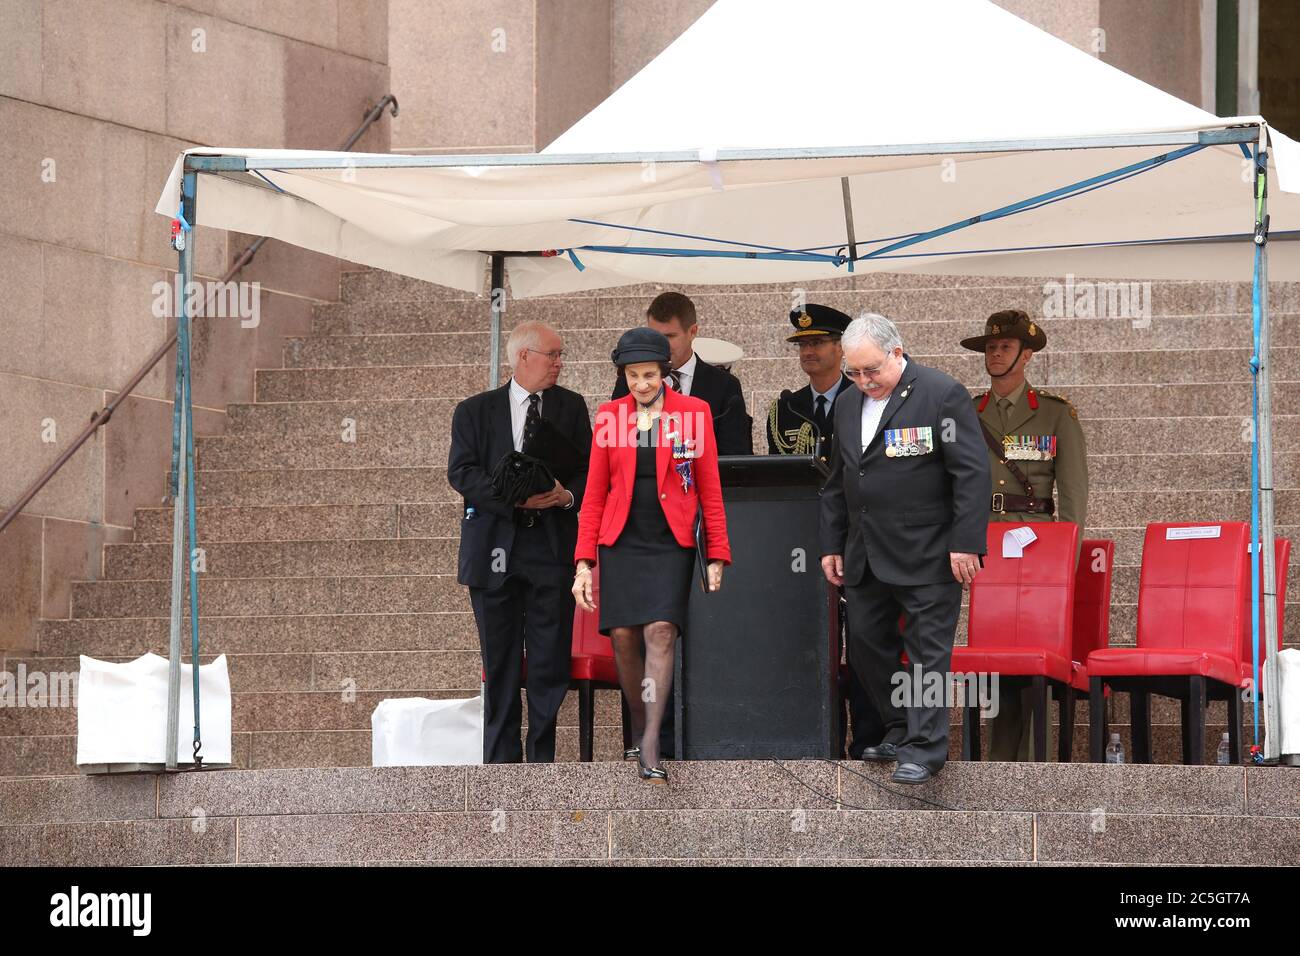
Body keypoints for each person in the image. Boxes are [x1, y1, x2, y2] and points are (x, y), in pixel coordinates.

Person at [819, 313, 991, 784]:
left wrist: (966, 542)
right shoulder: (849, 404)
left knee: (926, 653)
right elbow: (839, 482)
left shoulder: (941, 393)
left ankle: (925, 747)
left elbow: (972, 474)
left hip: (930, 552)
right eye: (853, 372)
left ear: (897, 352)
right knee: (867, 649)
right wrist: (832, 543)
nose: (863, 380)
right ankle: (896, 728)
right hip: (866, 553)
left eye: (871, 369)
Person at [575, 327, 731, 783]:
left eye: (648, 375)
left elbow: (710, 490)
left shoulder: (695, 414)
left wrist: (717, 551)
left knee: (661, 630)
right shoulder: (609, 417)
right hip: (621, 540)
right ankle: (641, 725)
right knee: (624, 635)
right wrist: (584, 562)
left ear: (664, 373)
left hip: (670, 541)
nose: (640, 384)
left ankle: (650, 742)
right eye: (632, 376)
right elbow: (594, 494)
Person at [447, 321, 592, 763]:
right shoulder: (474, 411)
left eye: (560, 355)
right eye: (553, 355)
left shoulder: (571, 406)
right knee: (501, 659)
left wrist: (566, 496)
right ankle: (501, 762)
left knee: (549, 661)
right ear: (524, 356)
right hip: (495, 548)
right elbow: (462, 472)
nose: (559, 363)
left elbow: (589, 469)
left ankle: (543, 758)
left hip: (550, 549)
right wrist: (515, 499)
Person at [961, 309, 1089, 761]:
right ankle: (997, 760)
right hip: (983, 542)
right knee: (993, 653)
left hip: (1037, 545)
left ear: (1027, 354)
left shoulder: (1055, 415)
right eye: (991, 348)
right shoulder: (968, 413)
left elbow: (1073, 497)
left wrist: (1065, 565)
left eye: (1005, 347)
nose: (995, 354)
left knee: (1034, 650)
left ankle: (1034, 760)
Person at [765, 303, 883, 758]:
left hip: (861, 538)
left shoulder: (869, 401)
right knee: (807, 640)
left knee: (867, 643)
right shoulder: (786, 409)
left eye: (817, 343)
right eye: (802, 345)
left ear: (842, 348)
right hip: (804, 541)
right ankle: (814, 737)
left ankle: (870, 735)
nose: (808, 351)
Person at [612, 291, 753, 456]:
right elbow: (615, 449)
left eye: (670, 336)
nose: (661, 345)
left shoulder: (724, 385)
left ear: (692, 332)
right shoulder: (628, 383)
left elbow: (735, 456)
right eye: (655, 336)